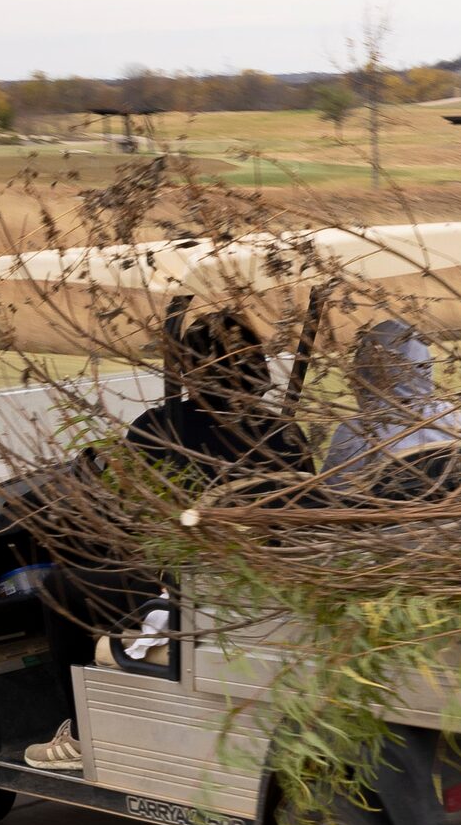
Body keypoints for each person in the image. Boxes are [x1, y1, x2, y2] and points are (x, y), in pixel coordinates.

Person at [25, 309, 309, 771]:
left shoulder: (161, 429)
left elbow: (121, 519)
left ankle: (80, 731)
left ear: (191, 370)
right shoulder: (286, 433)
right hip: (268, 592)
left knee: (63, 586)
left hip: (192, 596)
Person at [323, 316, 461, 502]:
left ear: (364, 369)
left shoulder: (356, 430)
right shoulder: (451, 416)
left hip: (380, 525)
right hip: (448, 515)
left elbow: (331, 495)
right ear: (424, 366)